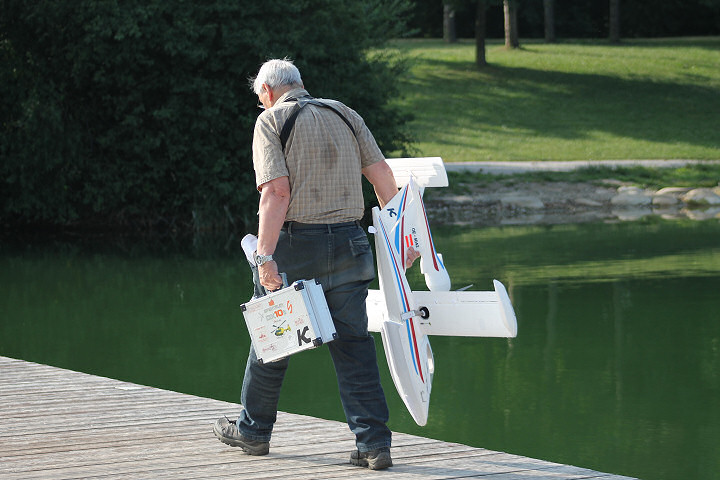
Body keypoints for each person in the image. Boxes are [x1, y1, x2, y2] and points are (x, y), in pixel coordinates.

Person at [213, 58, 415, 470]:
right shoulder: (345, 113)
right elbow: (383, 180)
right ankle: (374, 444)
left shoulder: (271, 122)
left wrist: (265, 256)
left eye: (259, 100)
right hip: (349, 242)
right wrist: (402, 241)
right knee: (354, 345)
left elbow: (276, 194)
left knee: (272, 341)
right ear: (300, 84)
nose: (260, 106)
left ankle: (253, 432)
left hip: (295, 245)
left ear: (267, 92)